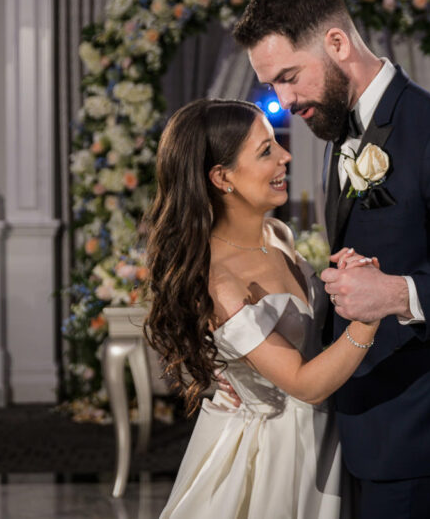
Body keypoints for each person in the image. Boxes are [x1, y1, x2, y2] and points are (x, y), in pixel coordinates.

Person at [233, 0, 430, 519]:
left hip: (427, 423)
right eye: (272, 85)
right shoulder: (338, 126)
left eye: (289, 77)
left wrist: (397, 295)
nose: (284, 100)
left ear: (337, 44)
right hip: (367, 416)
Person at [144, 98, 379, 518]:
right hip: (276, 452)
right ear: (222, 177)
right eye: (266, 150)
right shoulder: (222, 282)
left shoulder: (278, 233)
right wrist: (370, 315)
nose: (286, 156)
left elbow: (311, 330)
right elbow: (305, 385)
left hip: (329, 433)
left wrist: (345, 278)